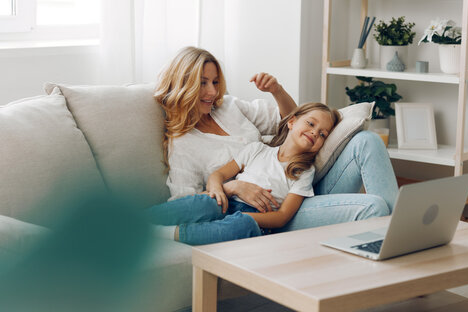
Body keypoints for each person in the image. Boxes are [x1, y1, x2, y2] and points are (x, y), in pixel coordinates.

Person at [146, 46, 399, 245]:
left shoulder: (228, 108)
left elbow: (289, 121)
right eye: (203, 83)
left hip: (300, 180)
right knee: (374, 207)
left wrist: (277, 90)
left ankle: (403, 233)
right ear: (184, 84)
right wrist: (233, 187)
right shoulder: (183, 144)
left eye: (214, 82)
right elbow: (188, 203)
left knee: (367, 140)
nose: (212, 91)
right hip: (270, 209)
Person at [204, 103, 340, 231]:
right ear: (292, 122)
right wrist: (217, 191)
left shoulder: (304, 171)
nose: (315, 132)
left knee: (240, 226)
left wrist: (241, 218)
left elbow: (282, 217)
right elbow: (217, 175)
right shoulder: (257, 149)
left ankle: (183, 234)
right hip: (226, 202)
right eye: (311, 123)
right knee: (200, 202)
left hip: (252, 219)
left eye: (322, 134)